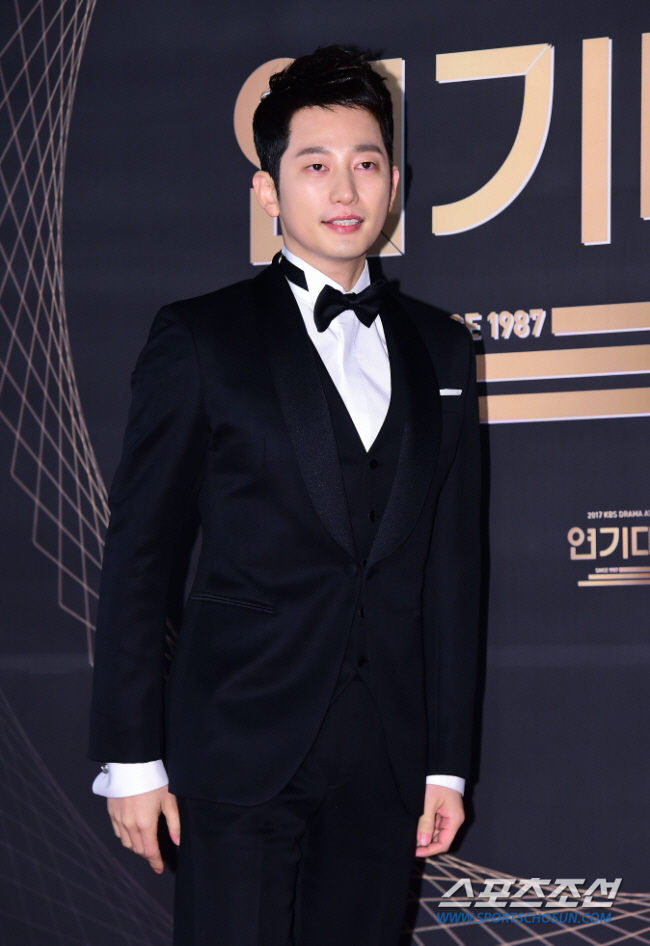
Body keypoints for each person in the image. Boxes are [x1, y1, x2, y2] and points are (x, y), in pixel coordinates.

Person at [88, 45, 481, 946]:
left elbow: (455, 570)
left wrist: (447, 766)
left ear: (395, 184)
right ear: (267, 191)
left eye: (366, 164)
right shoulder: (201, 338)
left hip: (386, 763)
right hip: (236, 751)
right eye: (314, 165)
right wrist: (132, 758)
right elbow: (141, 557)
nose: (344, 189)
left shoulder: (444, 348)